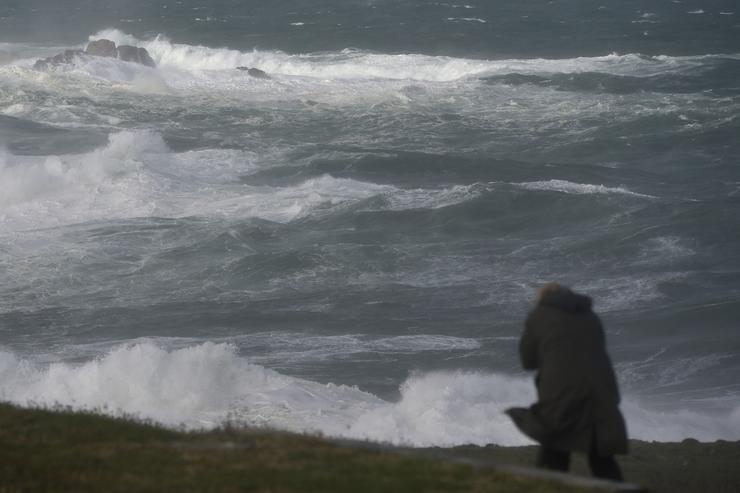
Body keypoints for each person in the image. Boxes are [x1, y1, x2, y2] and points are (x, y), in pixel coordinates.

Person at [506, 283, 627, 481]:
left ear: (542, 298)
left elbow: (528, 361)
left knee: (554, 449)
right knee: (602, 459)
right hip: (601, 391)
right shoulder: (590, 316)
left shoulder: (539, 316)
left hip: (562, 393)